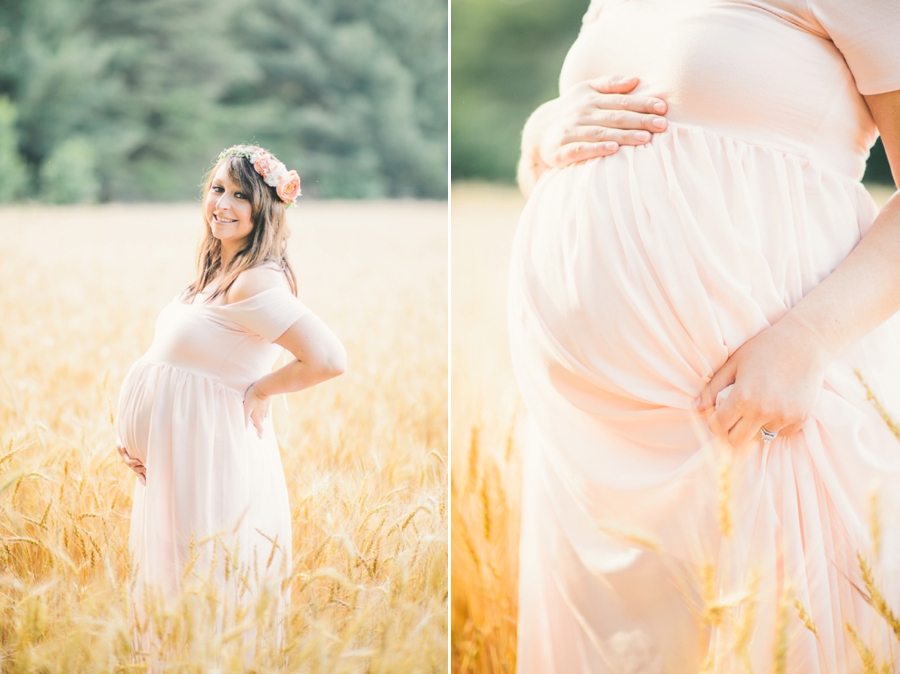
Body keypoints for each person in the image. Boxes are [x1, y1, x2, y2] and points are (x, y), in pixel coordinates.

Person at [509, 0, 900, 672]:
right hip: (592, 445)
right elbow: (549, 177)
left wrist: (806, 339)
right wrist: (541, 134)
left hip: (754, 403)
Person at [115, 144, 346, 660]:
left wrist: (261, 390)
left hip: (210, 458)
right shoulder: (215, 271)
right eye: (218, 188)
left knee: (205, 585)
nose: (223, 202)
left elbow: (329, 357)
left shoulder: (256, 280)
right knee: (177, 584)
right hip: (176, 458)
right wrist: (135, 433)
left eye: (241, 195)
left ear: (264, 209)